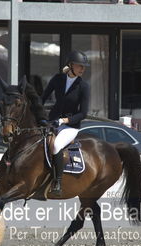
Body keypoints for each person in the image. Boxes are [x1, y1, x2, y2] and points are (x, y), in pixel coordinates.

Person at [41, 50, 90, 196]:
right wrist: (38, 113)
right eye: (79, 65)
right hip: (52, 121)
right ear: (71, 65)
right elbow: (43, 97)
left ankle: (58, 182)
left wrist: (64, 120)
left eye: (84, 66)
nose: (82, 68)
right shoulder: (58, 79)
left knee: (56, 145)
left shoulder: (84, 86)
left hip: (70, 126)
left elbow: (83, 113)